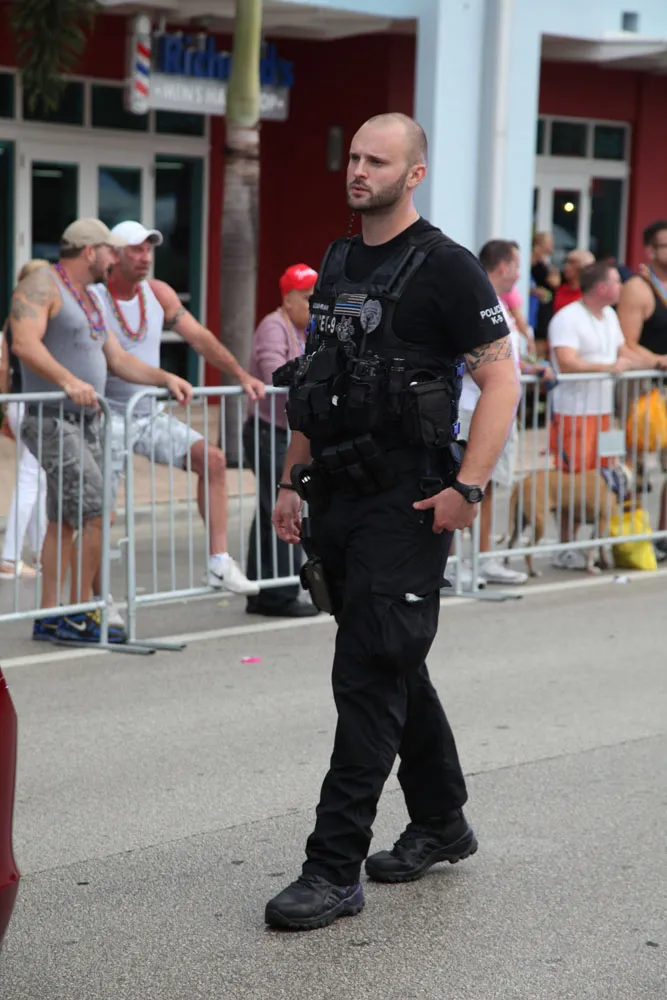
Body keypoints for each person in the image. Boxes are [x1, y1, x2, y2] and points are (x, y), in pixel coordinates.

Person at [265, 113, 520, 931]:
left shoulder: (446, 267)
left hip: (408, 501)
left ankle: (331, 869)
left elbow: (501, 381)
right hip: (339, 495)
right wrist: (291, 478)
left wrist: (467, 488)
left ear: (413, 174)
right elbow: (317, 379)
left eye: (377, 161)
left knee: (368, 673)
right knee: (392, 659)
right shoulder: (339, 260)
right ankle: (441, 821)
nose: (358, 171)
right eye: (353, 157)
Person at [10, 218, 193, 644]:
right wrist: (68, 381)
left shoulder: (89, 296)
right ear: (90, 251)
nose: (116, 258)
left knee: (65, 518)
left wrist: (165, 377)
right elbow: (24, 343)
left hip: (86, 421)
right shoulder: (41, 285)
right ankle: (79, 614)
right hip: (53, 419)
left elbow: (118, 359)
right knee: (97, 511)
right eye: (111, 250)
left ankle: (50, 615)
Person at [91, 220, 265, 597]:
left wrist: (240, 375)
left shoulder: (158, 293)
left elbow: (199, 337)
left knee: (213, 460)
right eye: (136, 249)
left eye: (149, 249)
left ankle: (219, 563)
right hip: (104, 417)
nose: (145, 257)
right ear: (114, 255)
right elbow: (117, 361)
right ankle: (99, 599)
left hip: (146, 414)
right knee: (101, 509)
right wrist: (165, 377)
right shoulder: (94, 298)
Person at [458, 240, 555, 587]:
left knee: (488, 487)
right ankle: (456, 562)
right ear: (503, 267)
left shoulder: (500, 304)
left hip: (500, 410)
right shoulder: (473, 301)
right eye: (517, 265)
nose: (519, 273)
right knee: (463, 485)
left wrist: (528, 369)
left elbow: (503, 358)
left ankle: (483, 558)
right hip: (472, 408)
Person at [548, 260, 644, 568]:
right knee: (573, 480)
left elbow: (624, 351)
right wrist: (608, 368)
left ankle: (594, 547)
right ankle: (566, 546)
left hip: (603, 413)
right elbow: (566, 362)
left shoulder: (610, 316)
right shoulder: (567, 317)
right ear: (601, 287)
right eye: (616, 282)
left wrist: (654, 361)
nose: (621, 287)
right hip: (573, 412)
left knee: (605, 478)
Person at [243, 264, 320, 617]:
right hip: (269, 431)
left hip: (286, 432)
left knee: (268, 510)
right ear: (287, 300)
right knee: (282, 506)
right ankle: (280, 593)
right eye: (306, 298)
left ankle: (264, 591)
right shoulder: (274, 326)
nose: (314, 305)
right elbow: (274, 372)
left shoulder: (309, 330)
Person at [617, 220, 667, 556]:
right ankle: (631, 537)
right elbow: (625, 342)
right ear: (650, 250)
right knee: (634, 465)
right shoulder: (638, 288)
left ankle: (663, 535)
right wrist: (659, 360)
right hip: (643, 387)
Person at [0, 260, 48, 580]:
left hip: (19, 402)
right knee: (32, 476)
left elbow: (4, 367)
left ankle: (41, 549)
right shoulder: (38, 318)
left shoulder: (11, 320)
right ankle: (9, 557)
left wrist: (6, 406)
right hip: (34, 403)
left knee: (38, 477)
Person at [531, 231, 561, 349]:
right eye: (549, 243)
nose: (552, 246)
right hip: (538, 305)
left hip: (545, 304)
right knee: (538, 337)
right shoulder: (534, 261)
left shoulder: (545, 262)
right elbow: (554, 281)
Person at [552, 249, 595, 315]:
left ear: (584, 267)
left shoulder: (590, 295)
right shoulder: (558, 288)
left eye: (572, 262)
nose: (566, 266)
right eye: (566, 262)